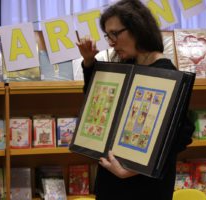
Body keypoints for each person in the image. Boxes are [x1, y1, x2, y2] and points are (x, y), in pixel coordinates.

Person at [76, 0, 194, 199]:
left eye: (115, 33)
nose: (111, 42)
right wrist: (89, 62)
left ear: (138, 29)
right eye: (108, 35)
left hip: (143, 188)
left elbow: (183, 135)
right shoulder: (126, 67)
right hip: (110, 181)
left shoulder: (166, 74)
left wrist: (134, 169)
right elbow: (97, 104)